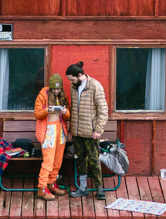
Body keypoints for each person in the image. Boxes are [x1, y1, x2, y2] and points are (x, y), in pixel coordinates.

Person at [66, 60, 109, 197]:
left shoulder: (95, 86)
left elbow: (103, 110)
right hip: (77, 132)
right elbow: (73, 109)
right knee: (80, 160)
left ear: (79, 75)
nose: (71, 82)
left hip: (91, 133)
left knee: (94, 160)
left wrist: (98, 130)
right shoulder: (74, 87)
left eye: (72, 79)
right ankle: (83, 188)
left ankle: (99, 189)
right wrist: (70, 129)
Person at [33, 72, 70, 199]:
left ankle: (52, 184)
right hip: (48, 131)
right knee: (48, 161)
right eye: (54, 89)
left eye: (58, 89)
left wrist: (64, 111)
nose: (56, 91)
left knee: (57, 160)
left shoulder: (62, 96)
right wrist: (47, 110)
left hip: (60, 130)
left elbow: (68, 116)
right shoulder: (42, 95)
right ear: (50, 87)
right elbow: (37, 114)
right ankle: (42, 188)